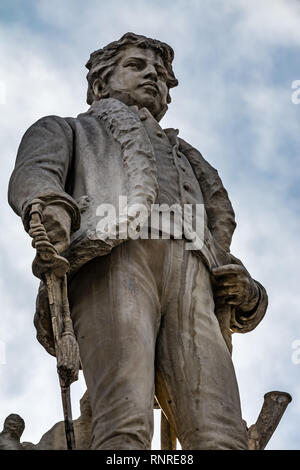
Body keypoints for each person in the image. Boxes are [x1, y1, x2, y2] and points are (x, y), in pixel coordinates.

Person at [8, 32, 268, 450]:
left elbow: (221, 246)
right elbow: (36, 173)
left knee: (222, 434)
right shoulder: (70, 129)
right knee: (123, 424)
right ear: (99, 84)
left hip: (195, 281)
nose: (154, 77)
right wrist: (49, 207)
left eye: (162, 75)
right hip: (114, 259)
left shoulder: (190, 160)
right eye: (137, 66)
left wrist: (249, 293)